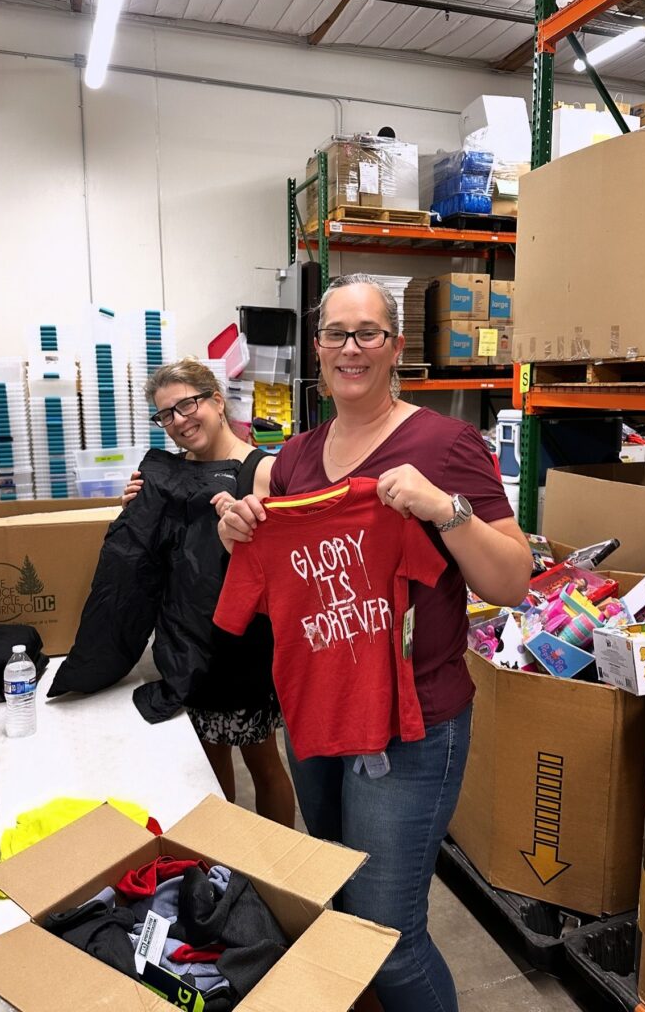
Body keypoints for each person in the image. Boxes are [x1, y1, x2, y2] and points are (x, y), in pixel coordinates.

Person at [218, 273, 533, 1012]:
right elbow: (283, 582)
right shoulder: (294, 459)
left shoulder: (446, 445)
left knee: (388, 936)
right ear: (317, 350)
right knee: (338, 912)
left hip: (411, 724)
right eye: (335, 334)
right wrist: (240, 532)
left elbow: (513, 582)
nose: (350, 348)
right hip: (318, 717)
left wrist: (443, 509)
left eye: (367, 334)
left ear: (395, 348)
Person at [123, 359, 295, 828]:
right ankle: (224, 869)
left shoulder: (263, 470)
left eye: (187, 404)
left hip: (243, 644)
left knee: (262, 759)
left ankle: (276, 872)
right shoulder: (170, 474)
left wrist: (249, 523)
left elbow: (289, 565)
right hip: (184, 638)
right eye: (166, 415)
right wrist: (136, 512)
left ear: (217, 401)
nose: (179, 421)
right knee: (207, 764)